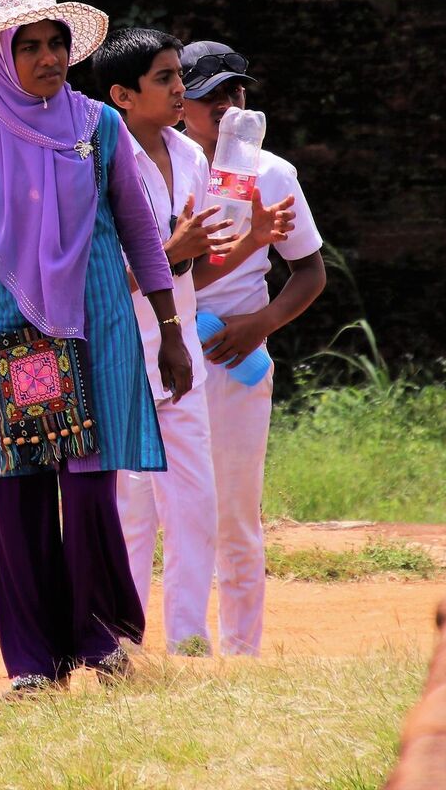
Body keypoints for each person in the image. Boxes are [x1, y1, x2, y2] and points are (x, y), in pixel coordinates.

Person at [0, 0, 192, 698]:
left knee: (93, 492)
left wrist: (169, 331)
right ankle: (33, 663)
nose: (47, 58)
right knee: (20, 497)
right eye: (28, 46)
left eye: (56, 43)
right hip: (17, 341)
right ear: (2, 59)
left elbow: (138, 231)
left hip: (97, 329)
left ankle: (100, 643)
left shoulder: (99, 127)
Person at [91, 28, 294, 655]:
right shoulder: (94, 160)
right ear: (122, 95)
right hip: (121, 358)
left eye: (180, 76)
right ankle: (119, 647)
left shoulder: (191, 160)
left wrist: (254, 241)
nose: (181, 89)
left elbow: (190, 272)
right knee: (130, 517)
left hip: (177, 358)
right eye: (164, 79)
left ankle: (187, 643)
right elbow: (89, 283)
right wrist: (168, 255)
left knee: (196, 508)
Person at [180, 39, 326, 656]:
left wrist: (259, 324)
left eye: (234, 92)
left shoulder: (271, 172)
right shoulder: (162, 165)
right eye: (209, 96)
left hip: (236, 350)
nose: (226, 105)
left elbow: (310, 271)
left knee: (235, 510)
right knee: (153, 506)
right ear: (178, 103)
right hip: (166, 337)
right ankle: (166, 645)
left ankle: (241, 652)